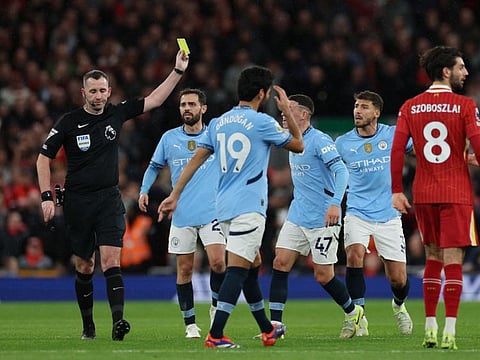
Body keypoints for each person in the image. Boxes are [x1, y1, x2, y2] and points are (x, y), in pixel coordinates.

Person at [36, 50, 189, 341]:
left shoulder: (116, 113)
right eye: (92, 91)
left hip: (108, 199)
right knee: (85, 265)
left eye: (102, 91)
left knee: (110, 261)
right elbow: (43, 159)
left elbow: (154, 100)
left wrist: (178, 72)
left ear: (109, 92)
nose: (98, 96)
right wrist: (46, 196)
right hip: (78, 201)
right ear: (83, 92)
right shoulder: (68, 122)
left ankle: (118, 323)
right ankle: (88, 326)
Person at [158, 66, 304, 348]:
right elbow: (298, 145)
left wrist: (175, 194)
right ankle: (216, 334)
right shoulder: (262, 122)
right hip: (248, 207)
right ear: (262, 94)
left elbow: (195, 160)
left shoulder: (219, 123)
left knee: (252, 265)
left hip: (222, 208)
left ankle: (266, 328)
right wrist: (286, 111)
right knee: (236, 269)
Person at [391, 46, 480, 350]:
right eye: (461, 67)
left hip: (424, 192)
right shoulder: (465, 105)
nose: (465, 72)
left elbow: (397, 149)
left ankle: (429, 328)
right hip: (456, 192)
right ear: (446, 71)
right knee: (454, 260)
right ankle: (449, 333)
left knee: (432, 258)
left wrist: (396, 190)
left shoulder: (409, 106)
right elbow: (478, 145)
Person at [267, 94, 364, 339]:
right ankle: (275, 326)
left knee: (323, 276)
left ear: (304, 114)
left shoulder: (320, 141)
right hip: (298, 214)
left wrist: (334, 204)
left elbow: (341, 172)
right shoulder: (291, 140)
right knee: (280, 262)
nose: (283, 113)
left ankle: (353, 313)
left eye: (289, 109)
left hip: (324, 218)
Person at [138, 88, 226, 339]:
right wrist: (144, 190)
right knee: (184, 270)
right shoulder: (169, 138)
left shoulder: (215, 136)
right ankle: (190, 325)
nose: (186, 108)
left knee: (219, 263)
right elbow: (154, 166)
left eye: (191, 104)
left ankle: (215, 308)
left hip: (213, 212)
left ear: (203, 108)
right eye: (183, 105)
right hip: (182, 213)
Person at [335, 91, 413, 337]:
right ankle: (357, 316)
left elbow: (421, 146)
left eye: (364, 107)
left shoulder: (393, 135)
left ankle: (398, 306)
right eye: (356, 106)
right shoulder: (342, 143)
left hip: (389, 214)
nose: (358, 111)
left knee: (398, 280)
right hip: (357, 211)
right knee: (354, 254)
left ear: (377, 112)